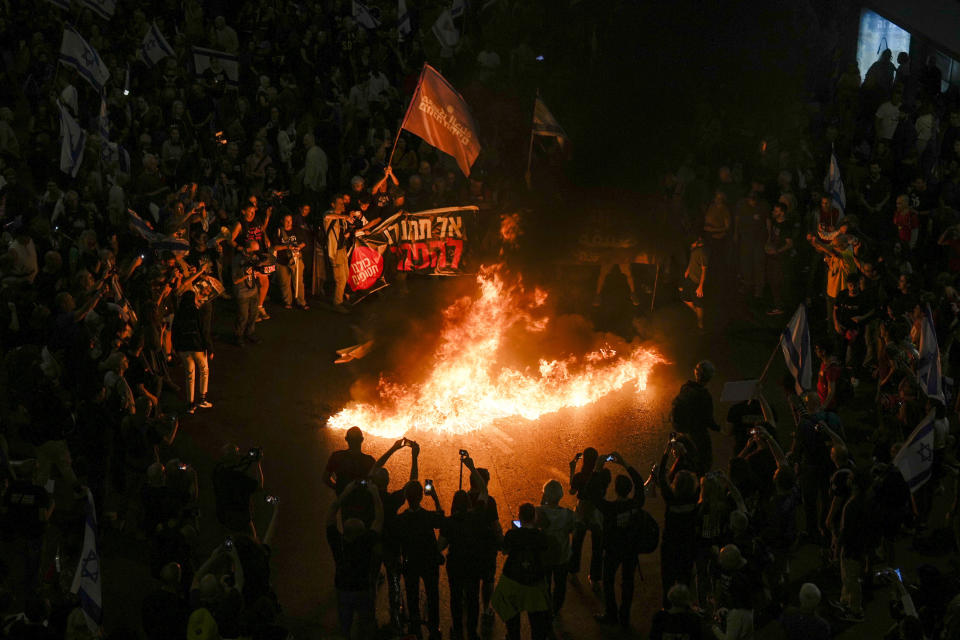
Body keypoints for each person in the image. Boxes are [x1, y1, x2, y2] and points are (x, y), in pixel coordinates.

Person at [588, 452, 645, 629]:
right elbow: (640, 484)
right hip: (631, 549)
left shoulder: (609, 508)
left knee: (608, 581)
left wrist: (597, 469)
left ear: (616, 489)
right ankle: (624, 615)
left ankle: (611, 613)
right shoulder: (636, 504)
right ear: (629, 490)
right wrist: (625, 464)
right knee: (628, 582)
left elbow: (591, 493)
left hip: (612, 550)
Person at [326, 479, 383, 639]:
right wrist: (375, 493)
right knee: (366, 626)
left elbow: (331, 511)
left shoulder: (337, 542)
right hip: (363, 590)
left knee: (344, 627)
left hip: (343, 589)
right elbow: (379, 518)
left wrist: (345, 492)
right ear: (362, 532)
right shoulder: (366, 542)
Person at [440, 457, 489, 640]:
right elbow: (484, 491)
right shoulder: (477, 516)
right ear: (469, 503)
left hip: (455, 564)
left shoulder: (450, 522)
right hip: (474, 563)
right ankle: (473, 632)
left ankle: (458, 630)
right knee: (472, 597)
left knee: (456, 598)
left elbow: (441, 545)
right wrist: (472, 468)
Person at [491, 503, 551, 640]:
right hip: (534, 582)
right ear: (534, 518)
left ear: (520, 516)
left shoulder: (513, 534)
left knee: (512, 621)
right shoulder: (540, 536)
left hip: (513, 581)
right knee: (536, 622)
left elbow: (505, 550)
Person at [395, 479, 445, 639]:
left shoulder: (401, 520)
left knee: (412, 594)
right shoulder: (427, 517)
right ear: (421, 497)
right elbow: (441, 520)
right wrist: (435, 497)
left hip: (410, 562)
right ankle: (433, 627)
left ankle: (414, 626)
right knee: (432, 594)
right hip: (429, 562)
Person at [535, 479, 575, 619]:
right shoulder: (569, 514)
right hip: (562, 555)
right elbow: (572, 529)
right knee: (560, 584)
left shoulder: (538, 512)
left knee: (544, 583)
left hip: (544, 556)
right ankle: (556, 609)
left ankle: (545, 607)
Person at [671, 360, 720, 472]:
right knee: (703, 463)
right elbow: (709, 421)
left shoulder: (685, 388)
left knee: (685, 460)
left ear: (696, 373)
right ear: (709, 377)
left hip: (684, 433)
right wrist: (720, 428)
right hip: (698, 436)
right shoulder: (705, 395)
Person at [171, 289, 213, 413]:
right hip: (198, 347)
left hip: (184, 349)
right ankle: (202, 398)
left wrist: (176, 348)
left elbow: (175, 333)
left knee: (190, 375)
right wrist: (209, 348)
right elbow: (204, 331)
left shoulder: (178, 314)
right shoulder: (197, 312)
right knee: (204, 371)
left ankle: (190, 403)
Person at [212, 444, 264, 535]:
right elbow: (259, 486)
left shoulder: (218, 472)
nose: (239, 455)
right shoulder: (238, 478)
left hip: (223, 518)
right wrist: (257, 463)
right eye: (237, 453)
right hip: (240, 519)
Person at [273, 212, 308, 309]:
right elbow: (275, 247)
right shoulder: (279, 231)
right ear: (282, 221)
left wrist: (298, 248)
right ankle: (287, 301)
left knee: (298, 281)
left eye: (290, 220)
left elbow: (304, 242)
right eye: (286, 221)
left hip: (296, 259)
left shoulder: (297, 230)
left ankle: (301, 302)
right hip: (282, 260)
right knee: (284, 282)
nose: (289, 223)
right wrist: (287, 246)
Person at [231, 240, 262, 346]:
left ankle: (249, 333)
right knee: (243, 316)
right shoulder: (237, 260)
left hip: (253, 291)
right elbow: (235, 280)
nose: (256, 254)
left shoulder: (253, 258)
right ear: (248, 249)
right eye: (255, 251)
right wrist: (246, 274)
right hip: (242, 293)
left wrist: (256, 273)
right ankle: (238, 336)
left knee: (254, 314)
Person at [680, 234, 708, 330]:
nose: (690, 246)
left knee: (698, 303)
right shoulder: (694, 249)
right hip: (690, 278)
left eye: (691, 244)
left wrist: (700, 286)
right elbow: (692, 260)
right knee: (684, 297)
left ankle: (700, 323)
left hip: (697, 281)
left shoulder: (702, 252)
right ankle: (696, 313)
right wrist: (688, 269)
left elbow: (704, 270)